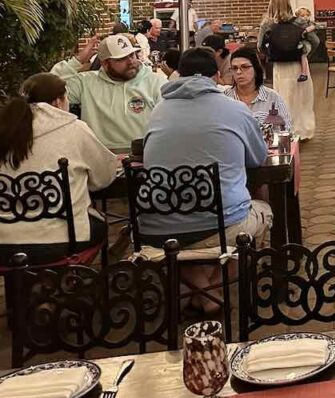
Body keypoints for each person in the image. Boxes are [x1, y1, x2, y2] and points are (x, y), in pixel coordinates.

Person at [143, 48, 271, 311]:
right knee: (264, 211)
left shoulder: (158, 111)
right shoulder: (235, 109)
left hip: (155, 228)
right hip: (222, 224)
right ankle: (210, 292)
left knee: (186, 241)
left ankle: (197, 290)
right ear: (217, 76)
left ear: (179, 75)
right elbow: (258, 158)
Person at [0, 73, 117, 265]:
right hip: (61, 240)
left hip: (4, 242)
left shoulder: (5, 130)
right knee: (99, 224)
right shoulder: (75, 129)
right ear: (58, 101)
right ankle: (71, 279)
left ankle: (22, 284)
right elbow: (103, 177)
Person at [50, 34, 167, 150]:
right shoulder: (85, 82)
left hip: (145, 153)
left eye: (132, 54)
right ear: (105, 64)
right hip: (99, 154)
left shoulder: (156, 82)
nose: (130, 61)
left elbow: (167, 124)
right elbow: (49, 88)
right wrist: (78, 60)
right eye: (121, 58)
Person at [258, 0, 317, 140]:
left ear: (271, 5)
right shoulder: (300, 22)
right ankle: (304, 131)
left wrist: (271, 53)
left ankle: (288, 131)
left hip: (280, 67)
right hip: (299, 65)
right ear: (289, 4)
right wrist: (305, 52)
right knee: (303, 100)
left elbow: (260, 46)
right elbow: (315, 41)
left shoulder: (267, 24)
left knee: (284, 99)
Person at [223, 47, 292, 130]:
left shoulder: (273, 97)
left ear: (256, 69)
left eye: (245, 67)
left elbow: (287, 129)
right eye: (234, 68)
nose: (239, 72)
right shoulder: (224, 98)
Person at [292, 7, 317, 83]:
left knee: (304, 53)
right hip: (299, 41)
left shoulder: (309, 23)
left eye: (307, 15)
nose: (305, 17)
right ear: (297, 16)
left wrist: (306, 30)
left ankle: (304, 73)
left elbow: (314, 26)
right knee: (303, 54)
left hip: (306, 42)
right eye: (302, 16)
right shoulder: (295, 23)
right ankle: (304, 72)